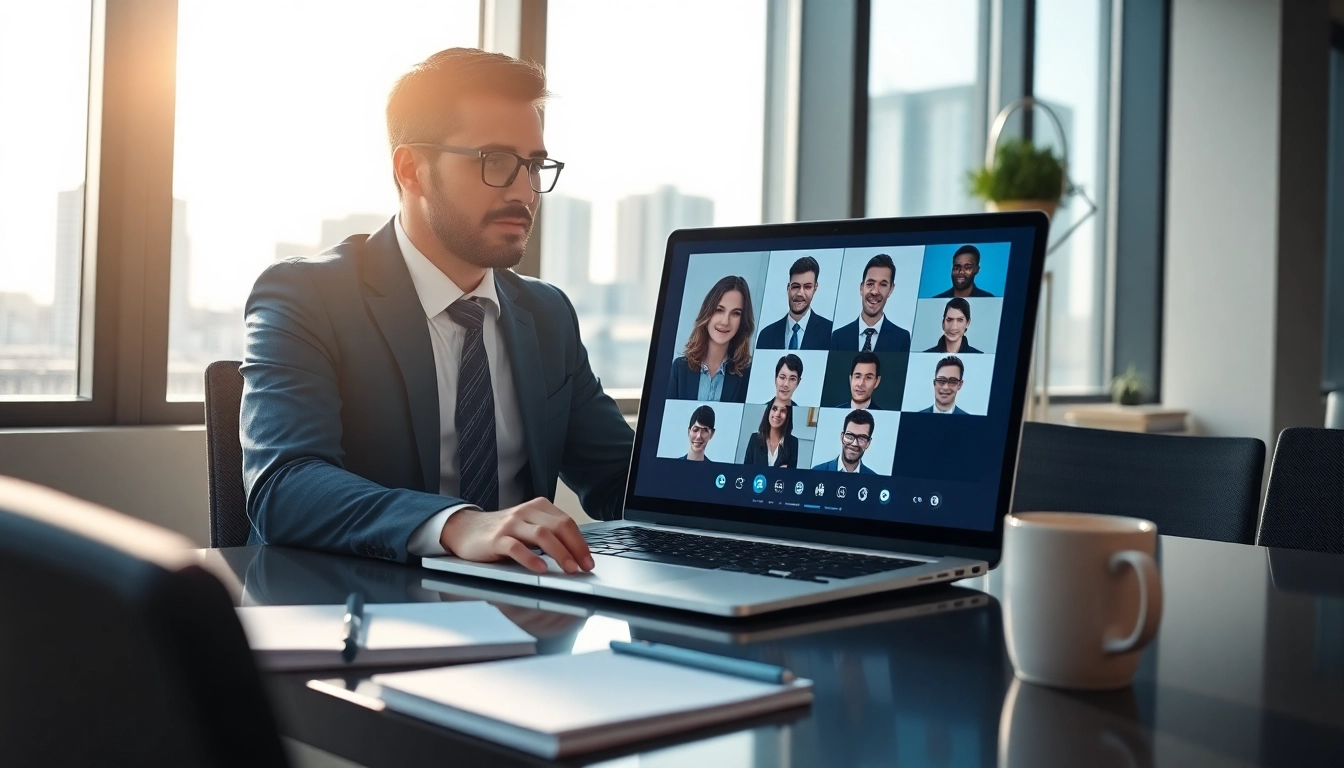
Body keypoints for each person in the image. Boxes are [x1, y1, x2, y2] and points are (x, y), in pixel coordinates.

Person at [241, 48, 633, 577]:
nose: (524, 191)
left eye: (534, 165)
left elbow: (618, 479)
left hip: (529, 612)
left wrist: (762, 499)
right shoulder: (306, 296)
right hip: (369, 611)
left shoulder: (547, 314)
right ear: (411, 170)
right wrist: (457, 524)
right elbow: (284, 486)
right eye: (495, 161)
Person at [668, 275, 755, 402]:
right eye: (719, 310)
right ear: (707, 312)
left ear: (742, 321)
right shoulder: (680, 369)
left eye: (736, 313)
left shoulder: (746, 375)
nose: (725, 321)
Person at [830, 253, 911, 352]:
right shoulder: (838, 337)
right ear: (861, 288)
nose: (875, 291)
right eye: (870, 284)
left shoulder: (902, 339)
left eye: (883, 285)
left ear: (891, 290)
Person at [755, 256, 833, 350]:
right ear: (788, 288)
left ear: (815, 288)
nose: (800, 293)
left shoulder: (829, 333)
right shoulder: (766, 335)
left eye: (807, 287)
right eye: (795, 286)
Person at [811, 409, 879, 474]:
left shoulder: (875, 480)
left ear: (868, 443)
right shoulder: (817, 472)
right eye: (849, 436)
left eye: (862, 438)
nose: (854, 443)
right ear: (842, 437)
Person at [742, 401, 798, 468]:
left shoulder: (793, 442)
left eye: (783, 410)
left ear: (788, 416)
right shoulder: (755, 438)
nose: (777, 414)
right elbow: (746, 470)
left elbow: (791, 474)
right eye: (774, 409)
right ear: (768, 411)